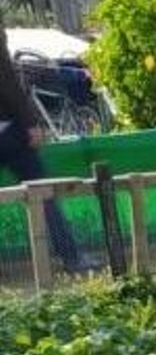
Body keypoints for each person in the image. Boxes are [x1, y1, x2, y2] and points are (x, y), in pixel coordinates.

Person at [0, 27, 90, 272]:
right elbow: (7, 80)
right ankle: (72, 258)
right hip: (8, 132)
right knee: (42, 193)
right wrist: (31, 123)